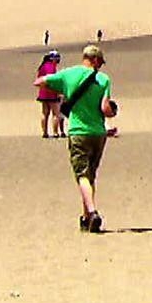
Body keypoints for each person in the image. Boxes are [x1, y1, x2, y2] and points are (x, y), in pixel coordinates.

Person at [35, 44, 118, 232]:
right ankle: (86, 217)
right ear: (95, 60)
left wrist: (61, 89)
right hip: (98, 133)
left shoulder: (68, 74)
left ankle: (92, 211)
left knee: (82, 175)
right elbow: (106, 109)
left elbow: (39, 82)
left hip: (78, 131)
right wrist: (111, 112)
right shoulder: (103, 79)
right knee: (90, 175)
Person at [36, 50, 64, 138]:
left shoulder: (42, 66)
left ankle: (45, 132)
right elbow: (53, 80)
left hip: (43, 93)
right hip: (51, 92)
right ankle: (55, 132)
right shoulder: (51, 67)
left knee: (45, 113)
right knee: (56, 113)